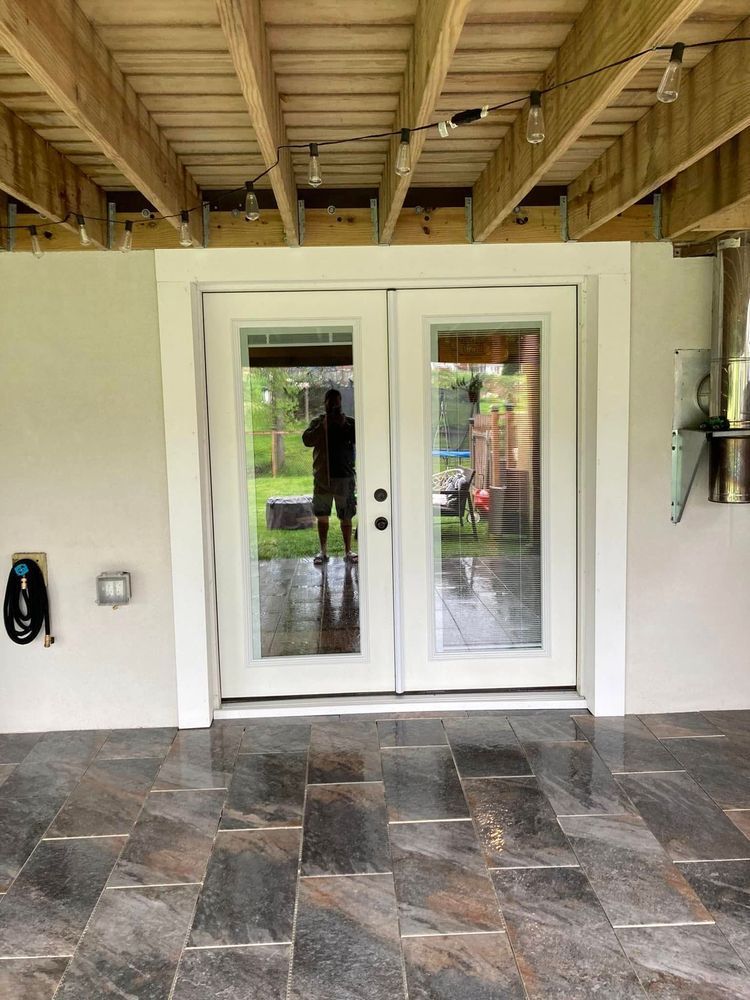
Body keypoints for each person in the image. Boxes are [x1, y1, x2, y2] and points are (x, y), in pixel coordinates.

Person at [302, 388, 357, 565]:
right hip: (322, 478)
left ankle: (348, 551)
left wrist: (344, 425)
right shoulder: (318, 422)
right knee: (322, 515)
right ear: (324, 403)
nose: (333, 406)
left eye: (336, 402)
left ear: (341, 403)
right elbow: (307, 440)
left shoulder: (349, 422)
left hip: (344, 477)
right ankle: (323, 551)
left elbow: (359, 438)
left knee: (346, 515)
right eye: (330, 402)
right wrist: (323, 427)